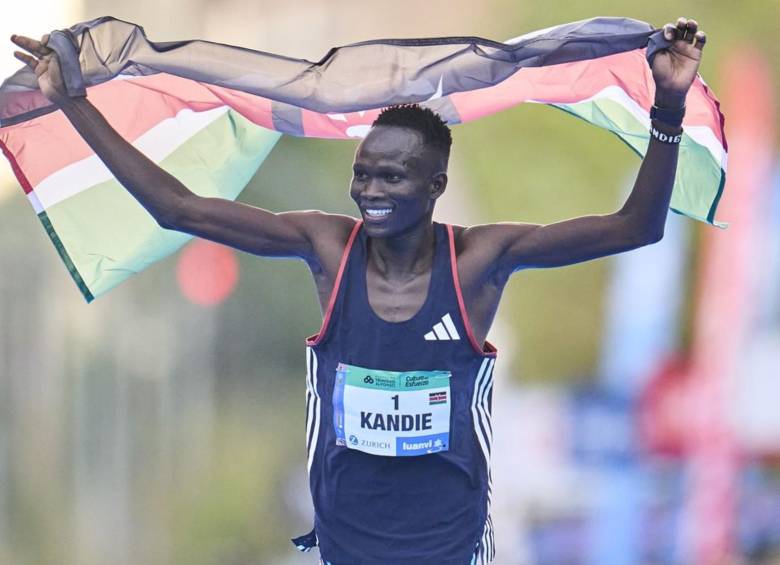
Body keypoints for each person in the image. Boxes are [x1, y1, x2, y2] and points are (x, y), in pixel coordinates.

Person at [11, 16, 706, 564]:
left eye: (392, 177)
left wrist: (668, 104)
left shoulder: (479, 261)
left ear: (435, 188)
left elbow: (636, 227)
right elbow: (180, 210)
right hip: (346, 548)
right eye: (363, 173)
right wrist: (73, 105)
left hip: (454, 550)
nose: (369, 191)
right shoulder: (325, 247)